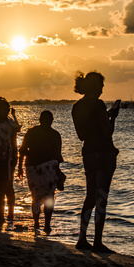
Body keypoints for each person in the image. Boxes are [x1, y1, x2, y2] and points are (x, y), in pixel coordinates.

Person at [71, 71, 120, 253]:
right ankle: (97, 242)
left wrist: (103, 119)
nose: (103, 89)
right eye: (101, 85)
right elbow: (107, 133)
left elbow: (82, 135)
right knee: (101, 199)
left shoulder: (76, 107)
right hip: (104, 153)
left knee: (90, 196)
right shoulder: (99, 105)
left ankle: (82, 238)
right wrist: (112, 118)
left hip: (89, 153)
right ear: (95, 86)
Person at [17, 110, 63, 234]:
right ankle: (47, 225)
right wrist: (57, 172)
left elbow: (22, 150)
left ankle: (36, 223)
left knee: (35, 196)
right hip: (49, 168)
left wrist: (20, 167)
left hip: (32, 168)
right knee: (49, 196)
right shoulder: (55, 135)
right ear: (52, 120)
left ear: (40, 120)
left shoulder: (31, 132)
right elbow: (57, 157)